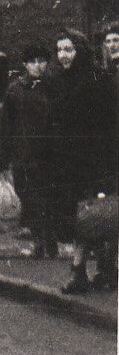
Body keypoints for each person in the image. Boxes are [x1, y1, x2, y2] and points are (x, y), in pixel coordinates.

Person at [51, 30, 117, 294]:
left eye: (69, 49)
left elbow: (110, 123)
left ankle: (87, 272)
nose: (63, 55)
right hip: (69, 162)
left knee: (95, 216)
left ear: (80, 51)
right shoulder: (58, 81)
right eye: (59, 50)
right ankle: (98, 272)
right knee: (85, 218)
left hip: (96, 161)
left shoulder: (97, 79)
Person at [0, 42, 70, 259]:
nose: (38, 66)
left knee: (49, 199)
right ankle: (38, 242)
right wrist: (1, 158)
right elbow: (5, 124)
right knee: (29, 198)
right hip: (23, 155)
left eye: (42, 61)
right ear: (25, 65)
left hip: (49, 155)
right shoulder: (15, 90)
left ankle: (50, 243)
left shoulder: (54, 87)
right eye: (33, 62)